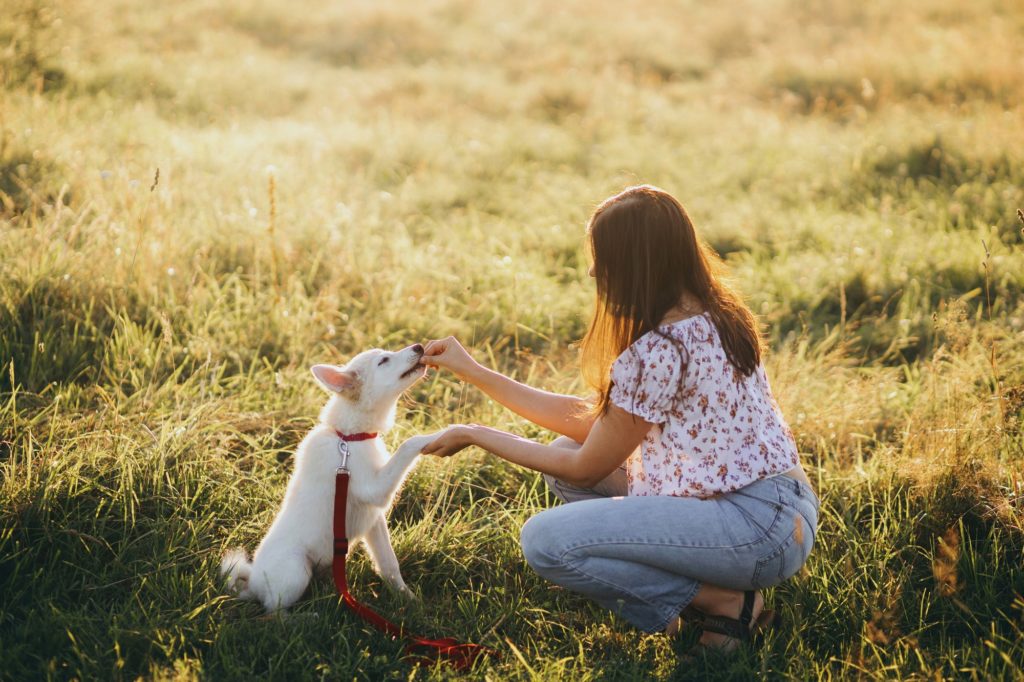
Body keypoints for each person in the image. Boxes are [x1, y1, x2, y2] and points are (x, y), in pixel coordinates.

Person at [419, 185, 818, 654]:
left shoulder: (659, 351)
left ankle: (724, 602)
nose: (592, 271)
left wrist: (476, 433)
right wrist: (476, 372)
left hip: (754, 531)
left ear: (633, 266)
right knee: (563, 453)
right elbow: (596, 428)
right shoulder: (718, 314)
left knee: (545, 541)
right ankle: (713, 595)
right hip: (785, 510)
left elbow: (588, 468)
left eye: (601, 260)